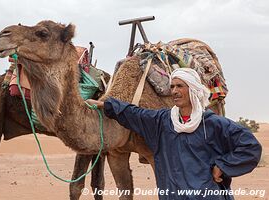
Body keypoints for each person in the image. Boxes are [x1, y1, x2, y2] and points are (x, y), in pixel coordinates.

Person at [86, 68, 262, 200]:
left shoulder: (213, 123)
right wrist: (106, 105)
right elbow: (135, 113)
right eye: (172, 86)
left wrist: (223, 166)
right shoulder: (163, 121)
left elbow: (250, 147)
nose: (175, 91)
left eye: (180, 86)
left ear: (192, 89)